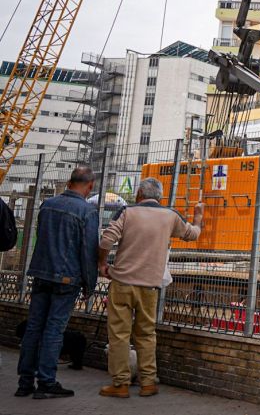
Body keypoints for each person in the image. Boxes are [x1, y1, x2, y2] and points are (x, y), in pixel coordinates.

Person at [97, 177, 202, 398]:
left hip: (123, 283)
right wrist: (199, 217)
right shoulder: (170, 216)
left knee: (119, 335)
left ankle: (120, 384)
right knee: (146, 334)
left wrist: (103, 264)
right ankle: (148, 383)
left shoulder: (127, 212)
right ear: (160, 197)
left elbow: (106, 240)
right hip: (150, 287)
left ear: (139, 194)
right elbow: (192, 234)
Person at [15, 166, 99, 399]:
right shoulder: (87, 212)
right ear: (90, 186)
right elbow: (88, 252)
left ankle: (24, 383)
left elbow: (41, 237)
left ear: (70, 182)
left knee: (34, 328)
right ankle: (46, 382)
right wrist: (89, 284)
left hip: (41, 273)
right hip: (67, 278)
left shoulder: (47, 205)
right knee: (54, 330)